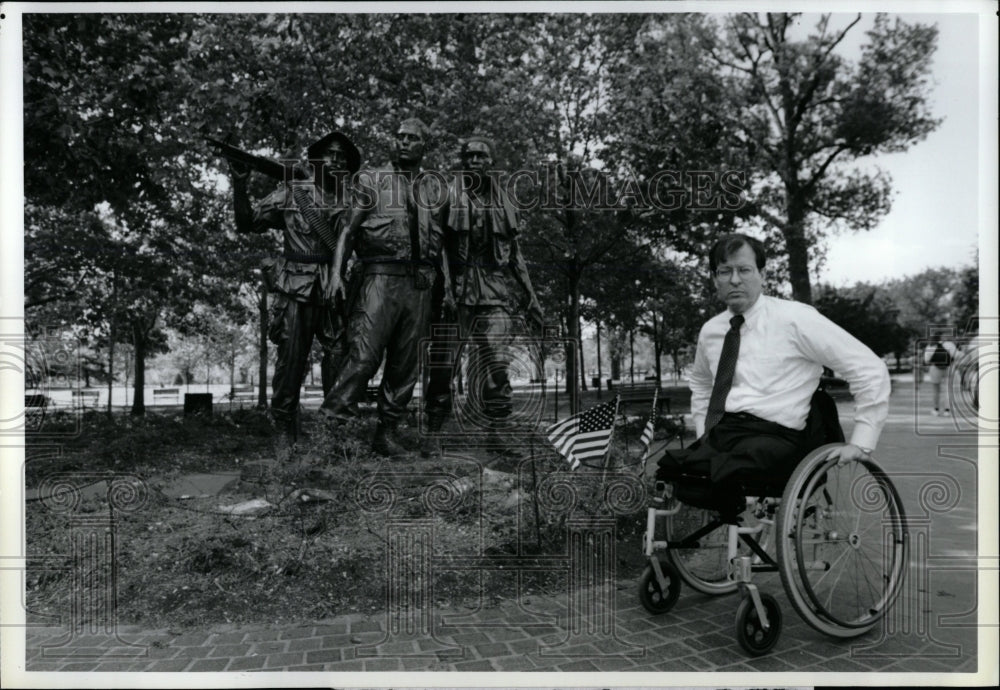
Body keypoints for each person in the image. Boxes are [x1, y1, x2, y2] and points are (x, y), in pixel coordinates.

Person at [656, 233, 891, 488]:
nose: (735, 280)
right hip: (726, 434)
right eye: (725, 271)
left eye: (744, 270)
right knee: (670, 470)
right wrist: (704, 433)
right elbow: (701, 384)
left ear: (763, 275)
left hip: (778, 435)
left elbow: (869, 368)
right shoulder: (711, 331)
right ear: (715, 279)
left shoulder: (795, 320)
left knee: (724, 472)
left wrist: (861, 442)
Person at [319, 118, 453, 457]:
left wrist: (447, 285)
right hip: (379, 278)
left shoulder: (436, 188)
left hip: (421, 283)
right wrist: (337, 273)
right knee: (363, 357)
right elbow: (348, 231)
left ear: (424, 146)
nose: (404, 142)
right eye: (400, 136)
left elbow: (444, 242)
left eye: (412, 138)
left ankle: (387, 433)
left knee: (406, 365)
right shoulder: (371, 179)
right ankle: (332, 432)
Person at [231, 131, 362, 460]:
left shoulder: (354, 198)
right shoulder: (292, 191)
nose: (336, 161)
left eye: (342, 157)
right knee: (290, 363)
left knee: (339, 360)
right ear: (316, 159)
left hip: (335, 289)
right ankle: (285, 433)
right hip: (296, 287)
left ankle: (332, 435)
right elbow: (247, 223)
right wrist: (239, 184)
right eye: (329, 154)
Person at [422, 135, 544, 458]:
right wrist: (446, 287)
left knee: (498, 365)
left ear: (491, 163)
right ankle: (433, 432)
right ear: (463, 162)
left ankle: (498, 433)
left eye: (482, 156)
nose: (475, 161)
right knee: (444, 363)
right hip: (458, 288)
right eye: (470, 156)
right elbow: (439, 247)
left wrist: (531, 296)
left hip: (493, 290)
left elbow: (515, 254)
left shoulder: (504, 199)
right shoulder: (449, 193)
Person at [923, 338, 958, 416]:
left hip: (935, 368)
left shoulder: (930, 346)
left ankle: (936, 409)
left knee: (936, 390)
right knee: (948, 389)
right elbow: (956, 356)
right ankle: (947, 410)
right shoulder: (950, 344)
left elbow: (926, 360)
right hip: (949, 368)